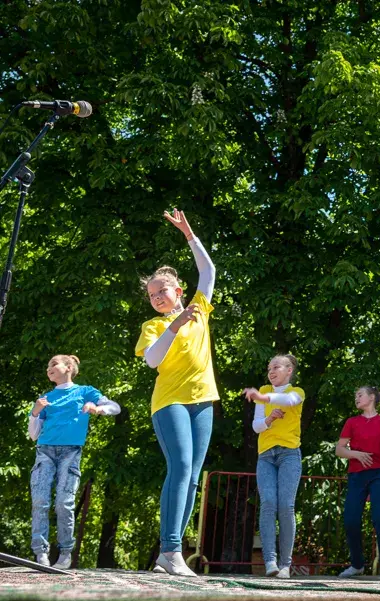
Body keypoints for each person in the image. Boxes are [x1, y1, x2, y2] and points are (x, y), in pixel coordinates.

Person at [136, 209, 218, 577]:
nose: (156, 297)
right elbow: (153, 361)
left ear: (179, 290)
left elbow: (209, 272)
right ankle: (169, 550)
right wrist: (174, 325)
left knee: (194, 473)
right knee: (181, 466)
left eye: (162, 290)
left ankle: (173, 553)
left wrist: (189, 234)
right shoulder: (153, 325)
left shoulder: (199, 308)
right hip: (169, 402)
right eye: (152, 294)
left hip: (203, 401)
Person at [29, 354, 120, 569]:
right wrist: (35, 412)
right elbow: (34, 435)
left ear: (69, 367)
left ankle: (65, 553)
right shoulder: (45, 397)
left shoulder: (85, 391)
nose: (48, 368)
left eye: (53, 364)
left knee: (64, 502)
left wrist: (98, 408)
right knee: (40, 501)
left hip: (71, 452)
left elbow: (114, 407)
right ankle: (40, 553)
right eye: (48, 365)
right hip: (45, 452)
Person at [244, 354, 305, 579]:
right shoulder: (263, 391)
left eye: (276, 367)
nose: (271, 371)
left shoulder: (297, 392)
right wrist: (269, 420)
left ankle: (285, 565)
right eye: (269, 367)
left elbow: (289, 401)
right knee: (268, 503)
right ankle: (270, 561)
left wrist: (264, 398)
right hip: (266, 456)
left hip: (289, 454)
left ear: (289, 370)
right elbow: (257, 427)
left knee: (286, 506)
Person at [335, 386, 380, 580]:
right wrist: (356, 454)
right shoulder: (352, 422)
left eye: (359, 394)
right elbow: (339, 449)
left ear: (371, 397)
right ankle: (357, 565)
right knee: (351, 520)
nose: (356, 398)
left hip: (379, 473)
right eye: (355, 395)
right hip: (356, 475)